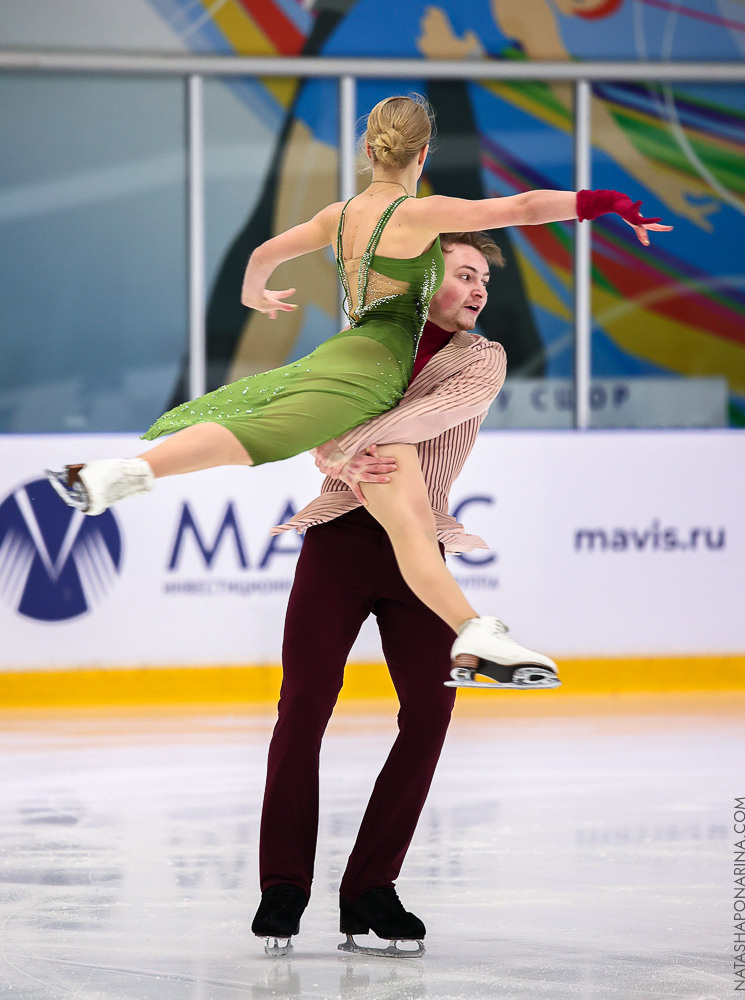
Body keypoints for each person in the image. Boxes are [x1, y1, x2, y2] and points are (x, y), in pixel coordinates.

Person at [47, 94, 671, 684]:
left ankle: (475, 631)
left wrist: (254, 293)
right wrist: (610, 202)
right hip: (376, 365)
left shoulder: (337, 216)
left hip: (350, 350)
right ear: (422, 155)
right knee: (262, 433)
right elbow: (523, 208)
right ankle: (118, 477)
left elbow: (263, 251)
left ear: (369, 151)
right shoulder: (425, 213)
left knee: (399, 516)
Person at [250, 230, 512, 959]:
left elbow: (423, 420)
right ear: (428, 281)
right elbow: (310, 414)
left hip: (415, 547)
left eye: (485, 278)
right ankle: (284, 884)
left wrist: (344, 441)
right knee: (303, 703)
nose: (480, 288)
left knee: (432, 710)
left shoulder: (481, 358)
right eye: (465, 273)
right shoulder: (368, 341)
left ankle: (371, 887)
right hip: (339, 539)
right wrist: (327, 440)